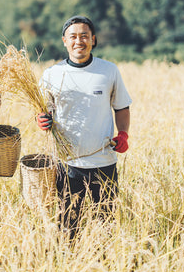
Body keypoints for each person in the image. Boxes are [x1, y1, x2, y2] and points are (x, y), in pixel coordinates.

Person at [37, 15, 131, 239]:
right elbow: (41, 112)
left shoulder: (108, 71)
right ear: (64, 41)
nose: (79, 41)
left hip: (104, 161)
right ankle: (69, 267)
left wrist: (124, 134)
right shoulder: (52, 74)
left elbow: (122, 108)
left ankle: (105, 268)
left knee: (106, 225)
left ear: (93, 40)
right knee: (68, 226)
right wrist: (41, 120)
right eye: (73, 36)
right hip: (67, 163)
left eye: (84, 36)